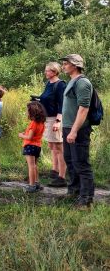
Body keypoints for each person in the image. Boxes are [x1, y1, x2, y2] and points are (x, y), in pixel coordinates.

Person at [60, 54, 94, 208]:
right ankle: (74, 191)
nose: (63, 66)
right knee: (70, 161)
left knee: (81, 163)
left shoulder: (83, 83)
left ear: (74, 65)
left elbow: (83, 109)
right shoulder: (71, 82)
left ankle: (86, 199)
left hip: (78, 130)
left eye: (66, 63)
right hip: (68, 128)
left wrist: (74, 131)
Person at [38, 62, 67, 187]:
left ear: (54, 72)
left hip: (55, 119)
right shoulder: (48, 83)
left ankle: (62, 177)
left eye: (47, 71)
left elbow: (62, 104)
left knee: (59, 147)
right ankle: (54, 171)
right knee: (51, 145)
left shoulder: (60, 85)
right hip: (47, 118)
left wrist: (58, 121)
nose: (45, 72)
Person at [18, 101, 46, 193]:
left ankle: (32, 185)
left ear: (32, 112)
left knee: (31, 166)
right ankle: (36, 183)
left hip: (30, 146)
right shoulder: (41, 123)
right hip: (37, 146)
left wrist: (21, 135)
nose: (27, 112)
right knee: (34, 165)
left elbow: (29, 137)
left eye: (27, 111)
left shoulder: (33, 123)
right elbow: (35, 135)